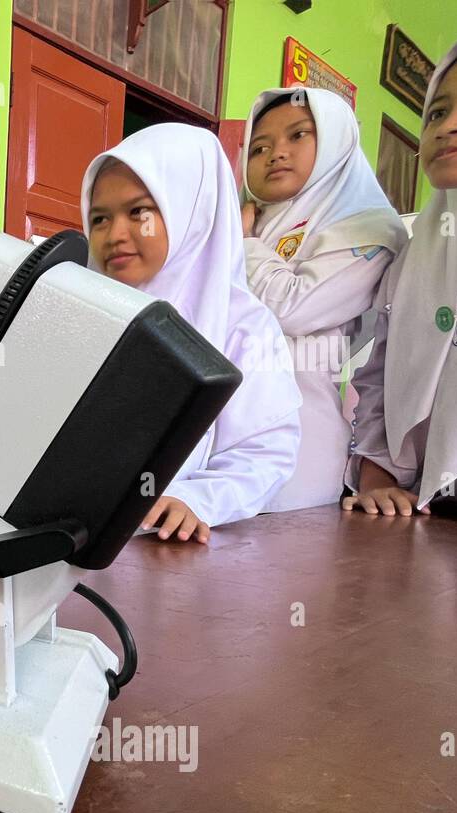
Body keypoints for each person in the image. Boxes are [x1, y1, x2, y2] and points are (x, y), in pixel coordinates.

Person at [82, 124, 301, 543]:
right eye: (99, 218)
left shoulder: (243, 327)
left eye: (139, 213)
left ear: (193, 210)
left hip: (165, 545)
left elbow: (265, 453)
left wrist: (197, 499)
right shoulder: (83, 311)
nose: (114, 235)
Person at [344, 28, 457, 526]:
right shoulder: (414, 251)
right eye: (436, 111)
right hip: (416, 508)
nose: (450, 125)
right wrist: (375, 470)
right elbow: (378, 372)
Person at [240, 87, 407, 510]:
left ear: (336, 141)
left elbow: (293, 309)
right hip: (218, 433)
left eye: (298, 135)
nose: (276, 153)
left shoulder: (368, 227)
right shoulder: (252, 223)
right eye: (259, 147)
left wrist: (240, 242)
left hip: (297, 444)